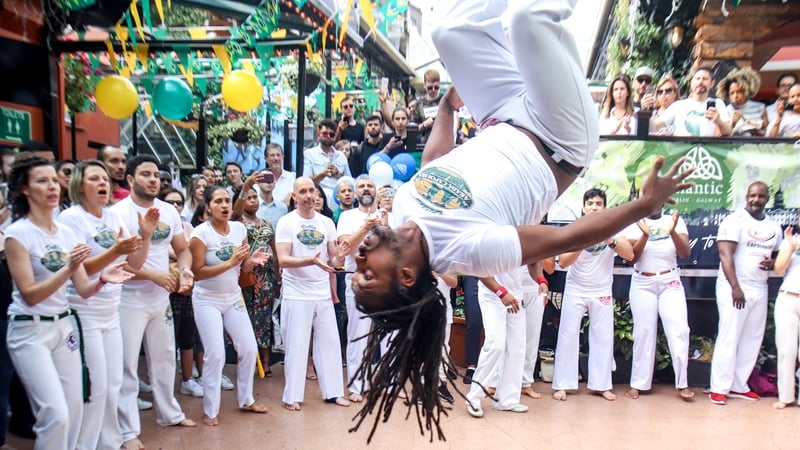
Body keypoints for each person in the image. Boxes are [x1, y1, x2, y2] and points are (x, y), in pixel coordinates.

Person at [348, 0, 694, 442]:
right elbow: (565, 235)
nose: (357, 258)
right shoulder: (470, 251)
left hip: (501, 115)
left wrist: (448, 110)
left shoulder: (402, 213)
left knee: (450, 30)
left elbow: (434, 160)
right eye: (366, 275)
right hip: (558, 136)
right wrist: (642, 207)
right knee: (530, 18)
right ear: (408, 273)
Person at [4, 154, 133, 450]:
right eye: (42, 181)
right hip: (29, 331)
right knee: (56, 415)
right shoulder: (17, 234)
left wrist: (103, 278)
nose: (51, 187)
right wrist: (69, 267)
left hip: (65, 327)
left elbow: (83, 289)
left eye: (53, 180)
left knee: (75, 407)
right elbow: (30, 294)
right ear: (25, 188)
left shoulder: (64, 233)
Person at [58, 160, 157, 449]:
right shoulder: (71, 219)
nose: (103, 183)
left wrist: (146, 236)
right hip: (82, 310)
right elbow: (81, 268)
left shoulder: (114, 218)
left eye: (105, 179)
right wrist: (115, 249)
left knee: (113, 384)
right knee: (96, 388)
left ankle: (111, 441)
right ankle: (85, 444)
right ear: (79, 185)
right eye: (94, 179)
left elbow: (134, 263)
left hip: (110, 310)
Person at [110, 155, 197, 450]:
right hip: (127, 300)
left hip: (160, 298)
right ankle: (126, 431)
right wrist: (154, 275)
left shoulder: (168, 212)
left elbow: (182, 249)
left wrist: (184, 269)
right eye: (145, 174)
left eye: (156, 175)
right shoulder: (118, 213)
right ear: (131, 180)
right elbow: (118, 264)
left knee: (163, 359)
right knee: (127, 366)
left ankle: (169, 414)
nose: (153, 180)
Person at [189, 186, 269, 425]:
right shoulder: (200, 234)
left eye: (227, 201)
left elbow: (241, 267)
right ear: (208, 208)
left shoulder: (239, 229)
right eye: (218, 201)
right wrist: (231, 262)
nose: (224, 206)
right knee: (215, 354)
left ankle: (246, 399)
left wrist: (249, 263)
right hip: (206, 299)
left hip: (233, 296)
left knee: (248, 347)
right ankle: (210, 411)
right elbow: (197, 273)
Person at [275, 177, 350, 412]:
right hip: (296, 292)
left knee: (330, 342)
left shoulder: (327, 222)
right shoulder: (286, 222)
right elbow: (283, 260)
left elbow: (334, 259)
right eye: (303, 192)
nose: (309, 195)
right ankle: (292, 396)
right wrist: (310, 260)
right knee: (297, 345)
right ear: (294, 196)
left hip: (321, 292)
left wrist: (340, 256)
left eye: (312, 191)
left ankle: (334, 393)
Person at [552, 188, 634, 402]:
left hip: (601, 290)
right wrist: (583, 241)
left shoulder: (613, 228)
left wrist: (608, 238)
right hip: (576, 289)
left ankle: (601, 385)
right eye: (590, 204)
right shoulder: (575, 228)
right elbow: (563, 261)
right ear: (583, 207)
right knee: (568, 336)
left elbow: (629, 254)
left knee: (602, 337)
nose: (594, 207)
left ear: (604, 207)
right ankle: (563, 384)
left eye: (598, 204)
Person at [709, 182, 782, 405]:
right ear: (746, 196)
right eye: (752, 195)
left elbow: (778, 257)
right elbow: (724, 254)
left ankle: (738, 385)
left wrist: (774, 263)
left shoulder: (774, 227)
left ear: (767, 199)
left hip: (760, 288)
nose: (756, 200)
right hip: (734, 288)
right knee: (729, 337)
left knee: (752, 338)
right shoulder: (735, 220)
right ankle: (718, 388)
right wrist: (735, 287)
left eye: (760, 196)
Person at [622, 196, 694, 401]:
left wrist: (671, 231)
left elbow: (685, 253)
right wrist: (644, 235)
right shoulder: (634, 223)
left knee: (679, 330)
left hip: (669, 280)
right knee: (643, 331)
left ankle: (683, 384)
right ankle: (638, 383)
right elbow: (632, 258)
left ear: (663, 202)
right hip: (643, 282)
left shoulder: (675, 220)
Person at [336, 175, 384, 402]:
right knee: (358, 334)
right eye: (361, 186)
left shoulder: (388, 215)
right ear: (355, 193)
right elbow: (345, 249)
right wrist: (365, 227)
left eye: (370, 186)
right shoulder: (347, 216)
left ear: (376, 190)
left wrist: (385, 225)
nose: (366, 189)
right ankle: (357, 385)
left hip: (386, 282)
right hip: (359, 281)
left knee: (390, 335)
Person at [159, 188, 205, 399]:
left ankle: (187, 380)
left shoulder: (187, 227)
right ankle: (162, 384)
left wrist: (180, 254)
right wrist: (179, 253)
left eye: (178, 202)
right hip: (165, 288)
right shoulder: (157, 226)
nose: (176, 206)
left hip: (186, 289)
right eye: (170, 202)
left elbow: (189, 254)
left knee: (187, 335)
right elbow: (175, 251)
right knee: (165, 342)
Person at [232, 182, 281, 378]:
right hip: (246, 276)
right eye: (249, 197)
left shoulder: (267, 223)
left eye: (255, 197)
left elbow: (275, 251)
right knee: (245, 320)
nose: (253, 201)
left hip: (267, 278)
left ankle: (266, 364)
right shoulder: (237, 222)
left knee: (264, 318)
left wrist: (277, 278)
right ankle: (245, 363)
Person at [649, 66, 732, 137]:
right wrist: (642, 114)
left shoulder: (718, 104)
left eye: (705, 79)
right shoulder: (679, 105)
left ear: (712, 83)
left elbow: (728, 132)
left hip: (706, 152)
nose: (700, 82)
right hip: (681, 152)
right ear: (692, 82)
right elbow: (656, 126)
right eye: (697, 78)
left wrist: (719, 121)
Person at [771, 222, 800, 409]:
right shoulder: (791, 241)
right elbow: (778, 269)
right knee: (786, 351)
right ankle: (786, 396)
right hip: (788, 299)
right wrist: (789, 248)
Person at [303, 119, 352, 208]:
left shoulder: (341, 156)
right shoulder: (309, 154)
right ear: (319, 133)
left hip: (339, 201)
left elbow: (349, 182)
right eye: (325, 133)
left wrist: (338, 174)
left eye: (332, 134)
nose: (328, 136)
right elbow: (306, 181)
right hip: (319, 200)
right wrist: (323, 174)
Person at [717, 67, 768, 137]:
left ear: (746, 90)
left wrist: (755, 130)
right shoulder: (727, 110)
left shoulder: (760, 107)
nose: (735, 96)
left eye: (739, 92)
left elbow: (768, 133)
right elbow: (722, 134)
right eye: (732, 93)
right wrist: (733, 122)